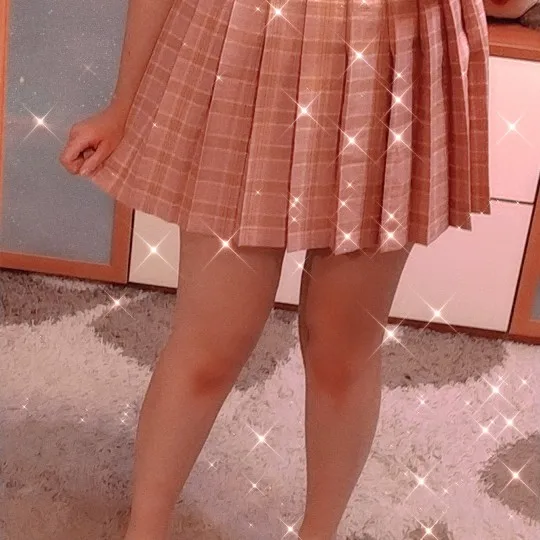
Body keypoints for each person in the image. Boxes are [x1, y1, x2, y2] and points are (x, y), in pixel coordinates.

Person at [59, 0, 491, 538]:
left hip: (392, 51)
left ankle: (319, 533)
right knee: (210, 344)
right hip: (248, 43)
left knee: (343, 352)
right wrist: (122, 105)